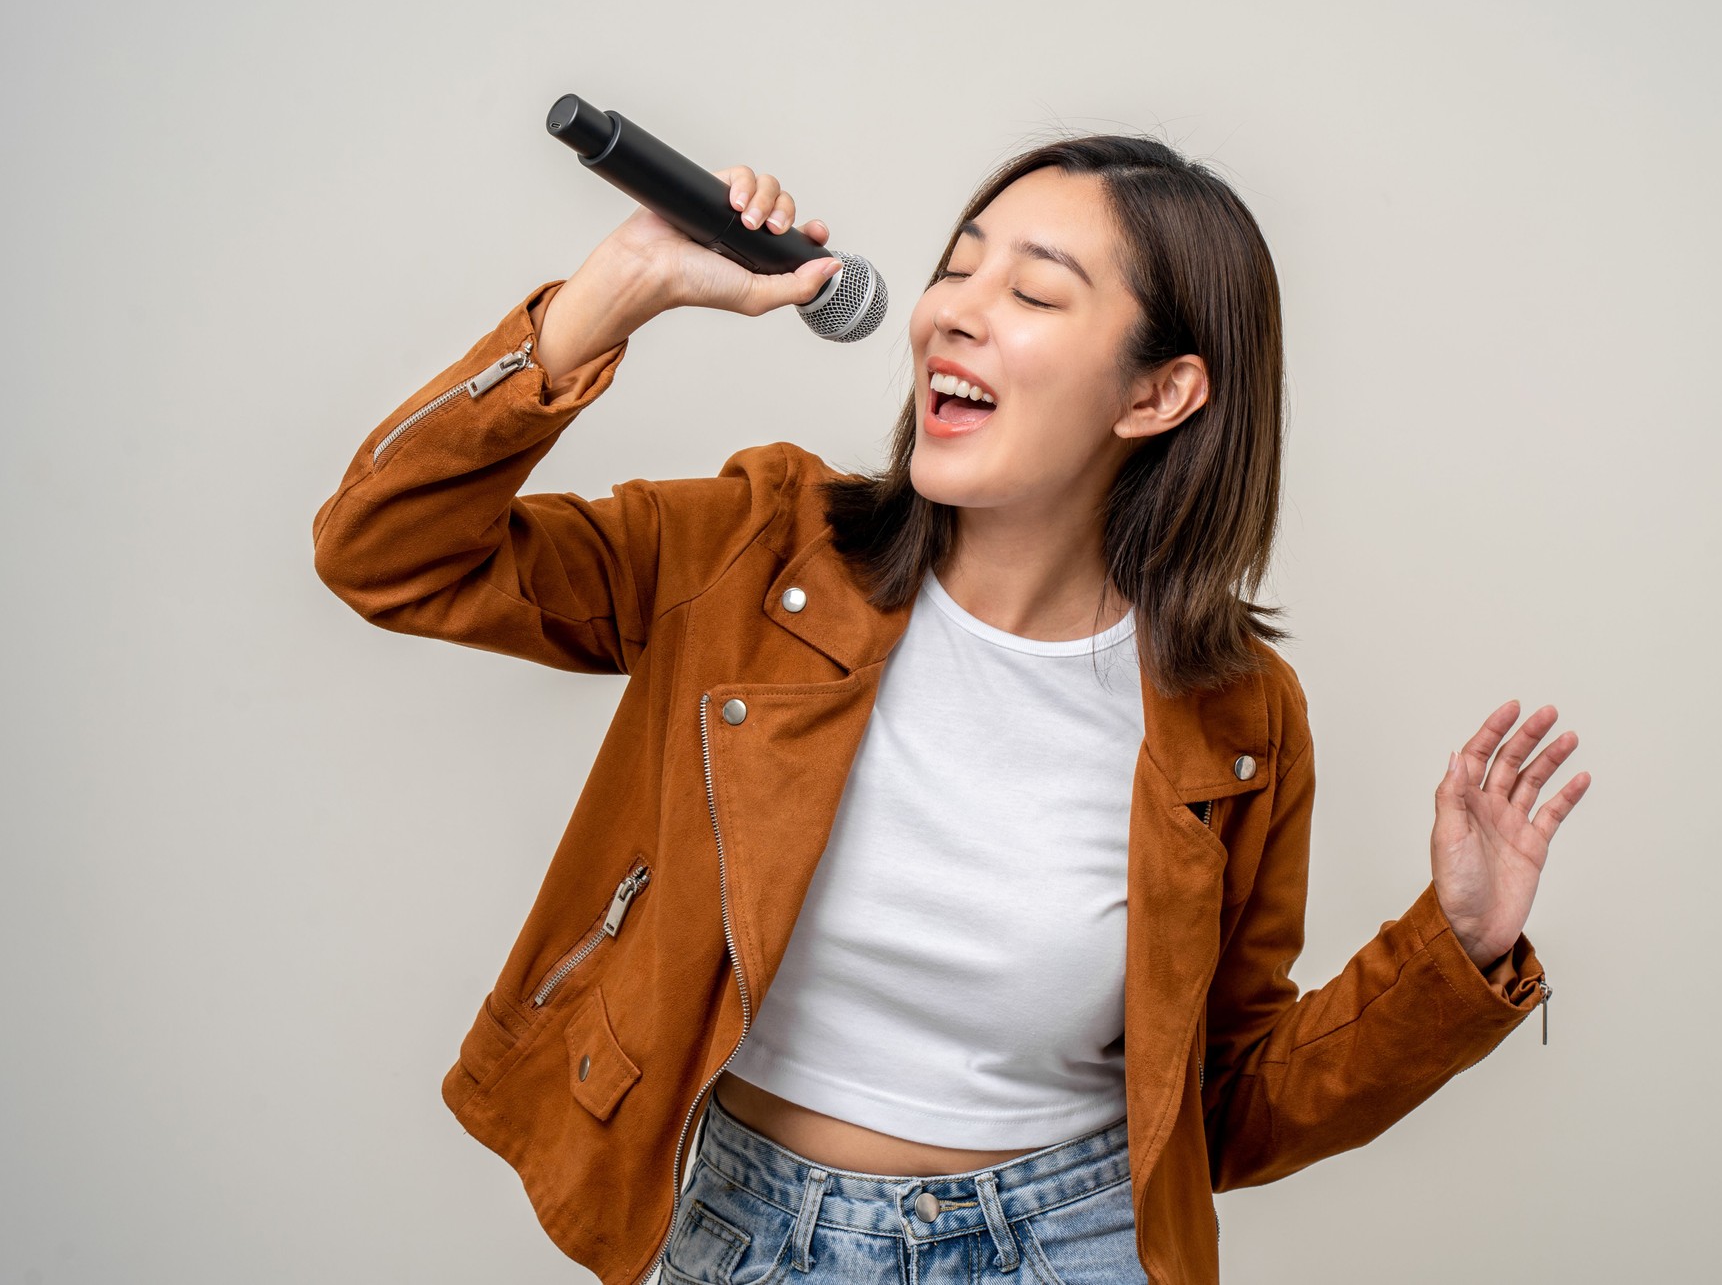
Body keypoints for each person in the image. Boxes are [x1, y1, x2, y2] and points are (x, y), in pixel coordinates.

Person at [313, 133, 1584, 1284]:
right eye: (957, 270)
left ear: (1160, 394)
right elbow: (387, 554)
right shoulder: (755, 551)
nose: (950, 317)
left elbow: (1224, 1109)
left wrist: (1453, 950)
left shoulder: (1237, 713)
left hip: (1075, 1245)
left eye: (1031, 293)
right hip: (756, 1237)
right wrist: (613, 296)